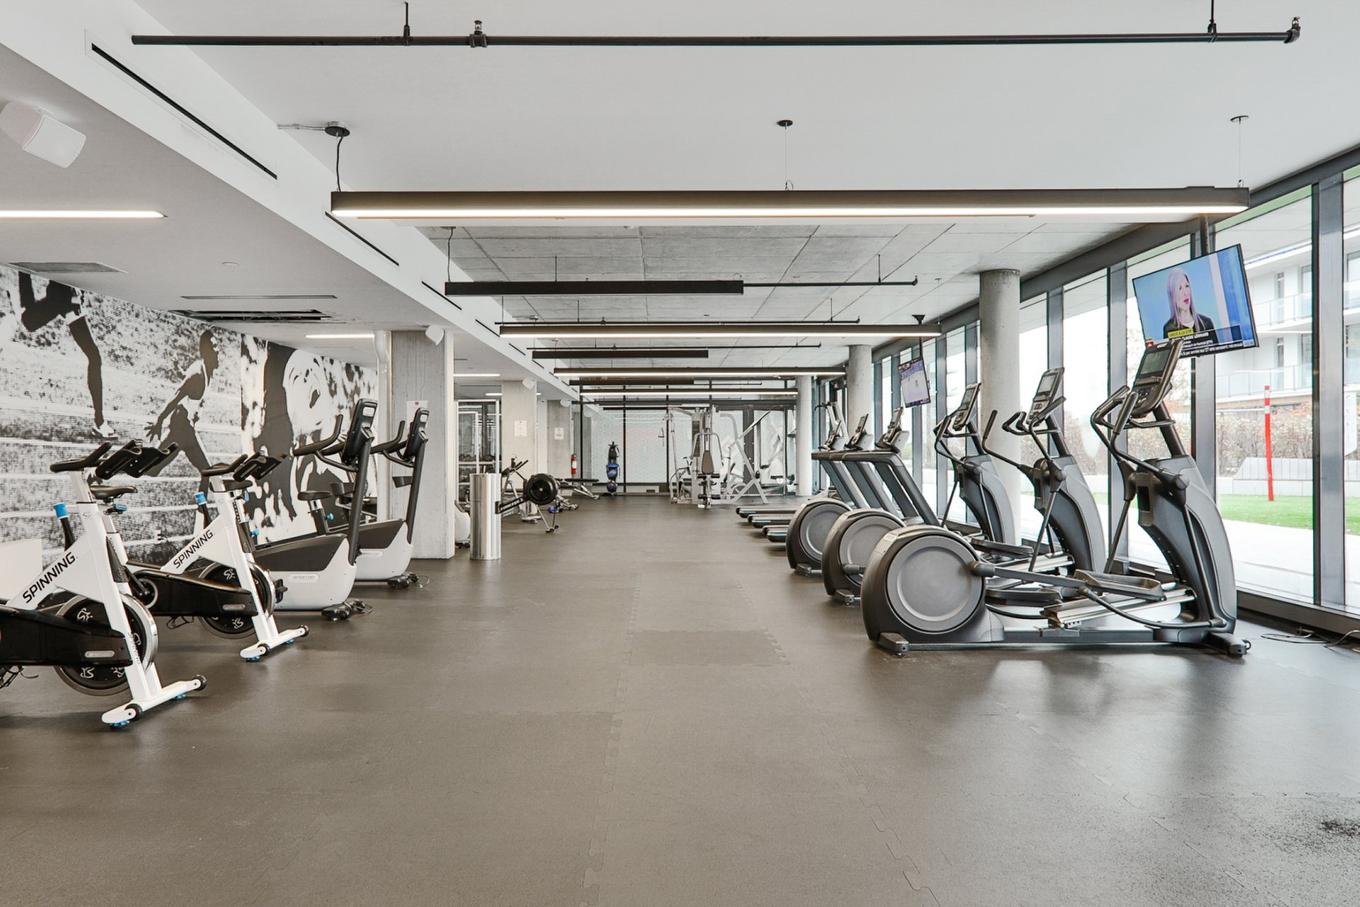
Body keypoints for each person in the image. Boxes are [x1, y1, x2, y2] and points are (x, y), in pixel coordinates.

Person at [11, 272, 114, 438]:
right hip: (64, 298)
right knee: (29, 322)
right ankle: (99, 422)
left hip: (69, 298)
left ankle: (99, 421)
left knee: (94, 358)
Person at [148, 330, 219, 486]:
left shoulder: (206, 370)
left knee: (207, 472)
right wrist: (159, 421)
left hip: (186, 428)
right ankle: (101, 470)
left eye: (217, 345)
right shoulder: (198, 375)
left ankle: (200, 510)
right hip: (181, 428)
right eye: (214, 346)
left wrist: (178, 369)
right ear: (206, 352)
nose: (218, 350)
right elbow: (176, 396)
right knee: (151, 469)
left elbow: (186, 382)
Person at [1161, 267, 1215, 338]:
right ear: (1172, 296)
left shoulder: (1206, 323)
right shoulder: (1169, 329)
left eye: (1187, 286)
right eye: (1179, 288)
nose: (1185, 293)